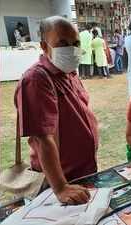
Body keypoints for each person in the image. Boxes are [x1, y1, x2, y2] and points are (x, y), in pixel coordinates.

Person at [14, 16, 99, 205]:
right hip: (60, 181)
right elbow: (43, 138)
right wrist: (60, 187)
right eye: (62, 43)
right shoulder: (37, 80)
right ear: (45, 47)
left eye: (75, 43)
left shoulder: (69, 73)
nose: (71, 48)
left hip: (83, 173)